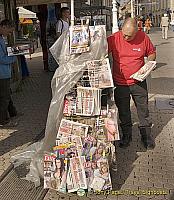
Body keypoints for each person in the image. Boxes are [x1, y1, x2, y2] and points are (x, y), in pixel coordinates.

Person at [107, 18, 156, 149]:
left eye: (129, 35)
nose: (126, 37)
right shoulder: (114, 38)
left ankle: (146, 136)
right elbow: (102, 54)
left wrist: (149, 64)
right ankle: (127, 135)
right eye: (124, 34)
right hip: (120, 82)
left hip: (138, 81)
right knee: (123, 111)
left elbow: (151, 53)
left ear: (136, 32)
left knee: (143, 110)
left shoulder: (143, 37)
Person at [0, 19, 18, 126]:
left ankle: (11, 113)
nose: (9, 34)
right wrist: (13, 58)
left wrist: (11, 50)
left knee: (6, 95)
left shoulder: (1, 37)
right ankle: (3, 121)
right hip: (2, 73)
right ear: (4, 27)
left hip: (4, 72)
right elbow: (1, 58)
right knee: (4, 97)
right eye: (9, 31)